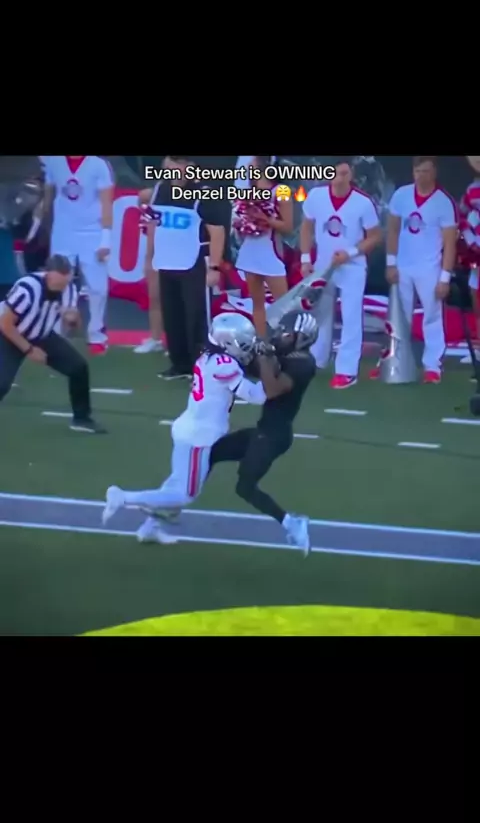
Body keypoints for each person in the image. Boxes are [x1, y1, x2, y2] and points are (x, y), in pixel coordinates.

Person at [102, 312, 267, 541]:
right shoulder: (225, 364)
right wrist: (274, 372)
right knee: (185, 494)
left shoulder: (210, 357)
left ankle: (150, 528)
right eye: (244, 344)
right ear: (227, 342)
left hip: (192, 428)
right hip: (199, 436)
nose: (248, 349)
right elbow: (257, 396)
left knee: (175, 483)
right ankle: (123, 498)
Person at [208, 310, 319, 556]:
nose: (281, 336)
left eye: (287, 333)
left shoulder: (303, 364)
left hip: (273, 436)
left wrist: (265, 356)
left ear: (302, 338)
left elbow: (272, 389)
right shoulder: (288, 354)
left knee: (244, 487)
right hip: (265, 430)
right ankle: (175, 502)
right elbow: (254, 367)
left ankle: (292, 523)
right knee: (211, 453)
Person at [300, 158, 382, 389]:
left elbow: (375, 236)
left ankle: (347, 370)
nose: (340, 179)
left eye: (345, 173)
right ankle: (317, 360)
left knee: (351, 317)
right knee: (320, 315)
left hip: (352, 267)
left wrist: (351, 252)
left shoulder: (363, 202)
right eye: (336, 174)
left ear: (351, 174)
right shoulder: (316, 196)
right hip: (323, 266)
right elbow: (306, 227)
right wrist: (305, 259)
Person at [0, 255, 105, 433]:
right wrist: (29, 350)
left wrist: (72, 319)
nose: (60, 289)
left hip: (42, 334)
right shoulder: (28, 288)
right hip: (9, 335)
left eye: (64, 283)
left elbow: (75, 325)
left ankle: (81, 419)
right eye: (57, 284)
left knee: (78, 368)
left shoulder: (69, 289)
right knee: (2, 384)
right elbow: (5, 324)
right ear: (47, 274)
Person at [146, 156, 228, 380]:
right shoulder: (160, 189)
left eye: (177, 166)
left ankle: (201, 365)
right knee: (172, 315)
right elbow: (153, 221)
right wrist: (150, 256)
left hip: (194, 263)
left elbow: (217, 232)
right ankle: (179, 364)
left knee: (197, 316)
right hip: (166, 261)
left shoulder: (203, 193)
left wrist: (214, 267)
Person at [382, 156, 458, 384]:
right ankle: (393, 360)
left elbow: (450, 243)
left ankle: (432, 365)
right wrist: (390, 263)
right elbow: (392, 230)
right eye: (417, 171)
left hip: (429, 267)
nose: (420, 176)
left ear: (434, 172)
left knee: (432, 316)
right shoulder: (401, 195)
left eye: (425, 171)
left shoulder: (444, 202)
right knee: (398, 316)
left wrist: (444, 278)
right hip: (403, 265)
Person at [43, 155, 115, 355]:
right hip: (63, 231)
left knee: (97, 287)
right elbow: (49, 193)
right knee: (56, 282)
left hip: (92, 232)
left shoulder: (99, 165)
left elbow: (106, 202)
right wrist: (41, 218)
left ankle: (96, 334)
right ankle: (56, 332)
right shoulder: (53, 161)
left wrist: (106, 239)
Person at [234, 156, 293, 337]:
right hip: (250, 253)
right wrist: (241, 223)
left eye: (251, 164)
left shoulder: (282, 191)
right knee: (257, 303)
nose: (248, 167)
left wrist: (265, 219)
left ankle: (288, 343)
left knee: (284, 306)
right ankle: (262, 342)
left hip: (271, 254)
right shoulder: (248, 192)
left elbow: (288, 227)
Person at [133, 184, 166, 354]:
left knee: (178, 300)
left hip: (179, 250)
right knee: (154, 296)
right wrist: (149, 257)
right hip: (156, 251)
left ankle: (179, 341)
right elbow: (143, 195)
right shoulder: (159, 191)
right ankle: (155, 338)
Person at [459, 157, 480, 366]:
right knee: (477, 299)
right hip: (477, 254)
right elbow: (460, 215)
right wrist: (470, 238)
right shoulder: (472, 190)